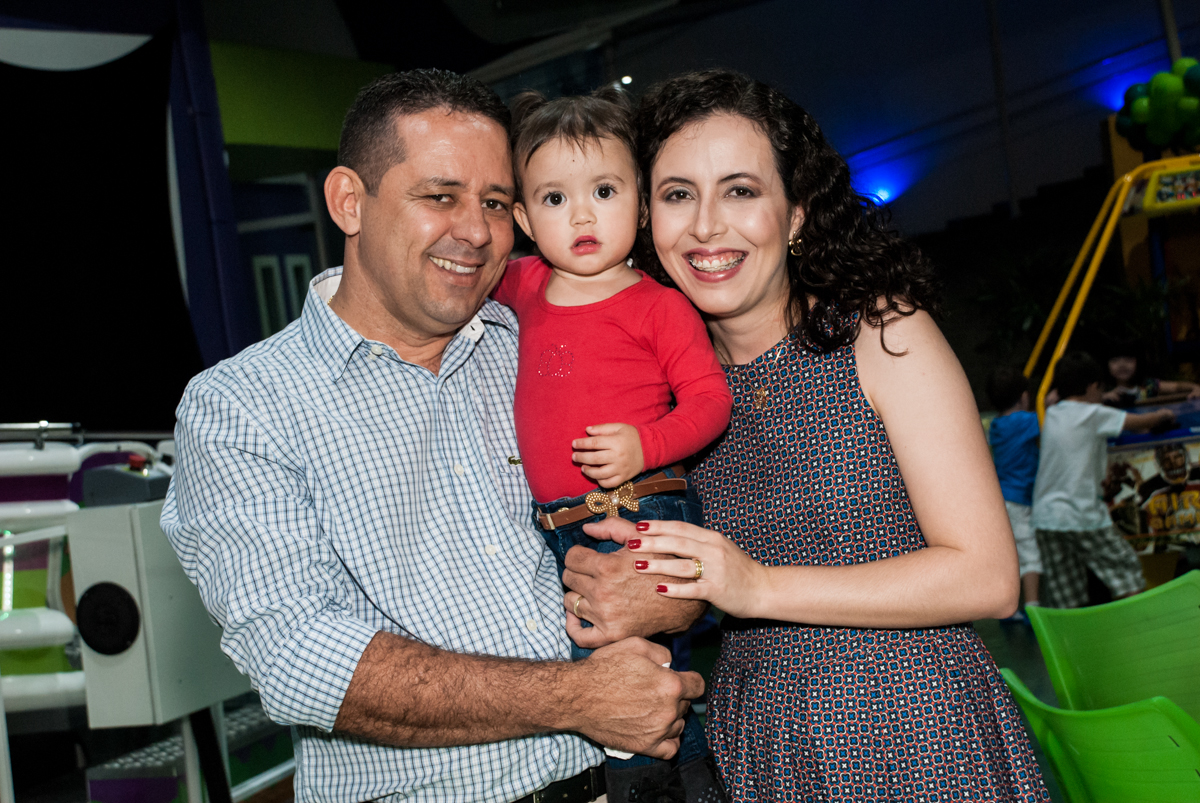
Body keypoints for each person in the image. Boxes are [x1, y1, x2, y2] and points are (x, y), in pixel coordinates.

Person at [160, 69, 706, 803]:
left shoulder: (536, 337)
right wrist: (573, 696)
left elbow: (691, 493)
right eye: (439, 196)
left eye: (495, 202)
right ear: (350, 202)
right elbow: (298, 659)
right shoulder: (243, 405)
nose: (477, 231)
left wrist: (683, 594)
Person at [577, 69, 1051, 801]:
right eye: (677, 194)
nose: (706, 225)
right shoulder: (665, 395)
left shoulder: (879, 332)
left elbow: (987, 575)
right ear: (646, 219)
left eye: (741, 190)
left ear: (796, 213)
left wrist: (756, 585)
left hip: (915, 728)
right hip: (761, 743)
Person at [492, 87, 732, 802]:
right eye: (556, 200)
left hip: (642, 500)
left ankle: (647, 787)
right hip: (558, 523)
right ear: (526, 218)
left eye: (604, 190)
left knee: (623, 664)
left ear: (641, 201)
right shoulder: (521, 286)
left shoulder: (659, 304)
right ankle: (688, 776)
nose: (585, 214)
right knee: (625, 667)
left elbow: (711, 402)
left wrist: (644, 443)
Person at [1031, 351, 1173, 608]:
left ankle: (1073, 641)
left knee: (1067, 587)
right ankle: (1137, 623)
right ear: (1094, 386)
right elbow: (1139, 422)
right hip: (1080, 513)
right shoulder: (1094, 413)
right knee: (1125, 569)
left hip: (1045, 517)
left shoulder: (1052, 413)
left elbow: (1055, 400)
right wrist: (1164, 413)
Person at [986, 364, 1043, 613]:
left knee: (1014, 553)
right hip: (1019, 499)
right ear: (1024, 396)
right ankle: (1033, 608)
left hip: (1003, 498)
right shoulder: (1024, 421)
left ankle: (1013, 610)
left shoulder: (998, 425)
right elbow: (1050, 421)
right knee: (1031, 555)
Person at [1102, 342, 1200, 406]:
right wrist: (1103, 397)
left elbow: (1176, 387)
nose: (1122, 365)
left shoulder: (1148, 385)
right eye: (1115, 361)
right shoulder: (1102, 390)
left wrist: (1196, 388)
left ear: (1138, 363)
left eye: (1128, 360)